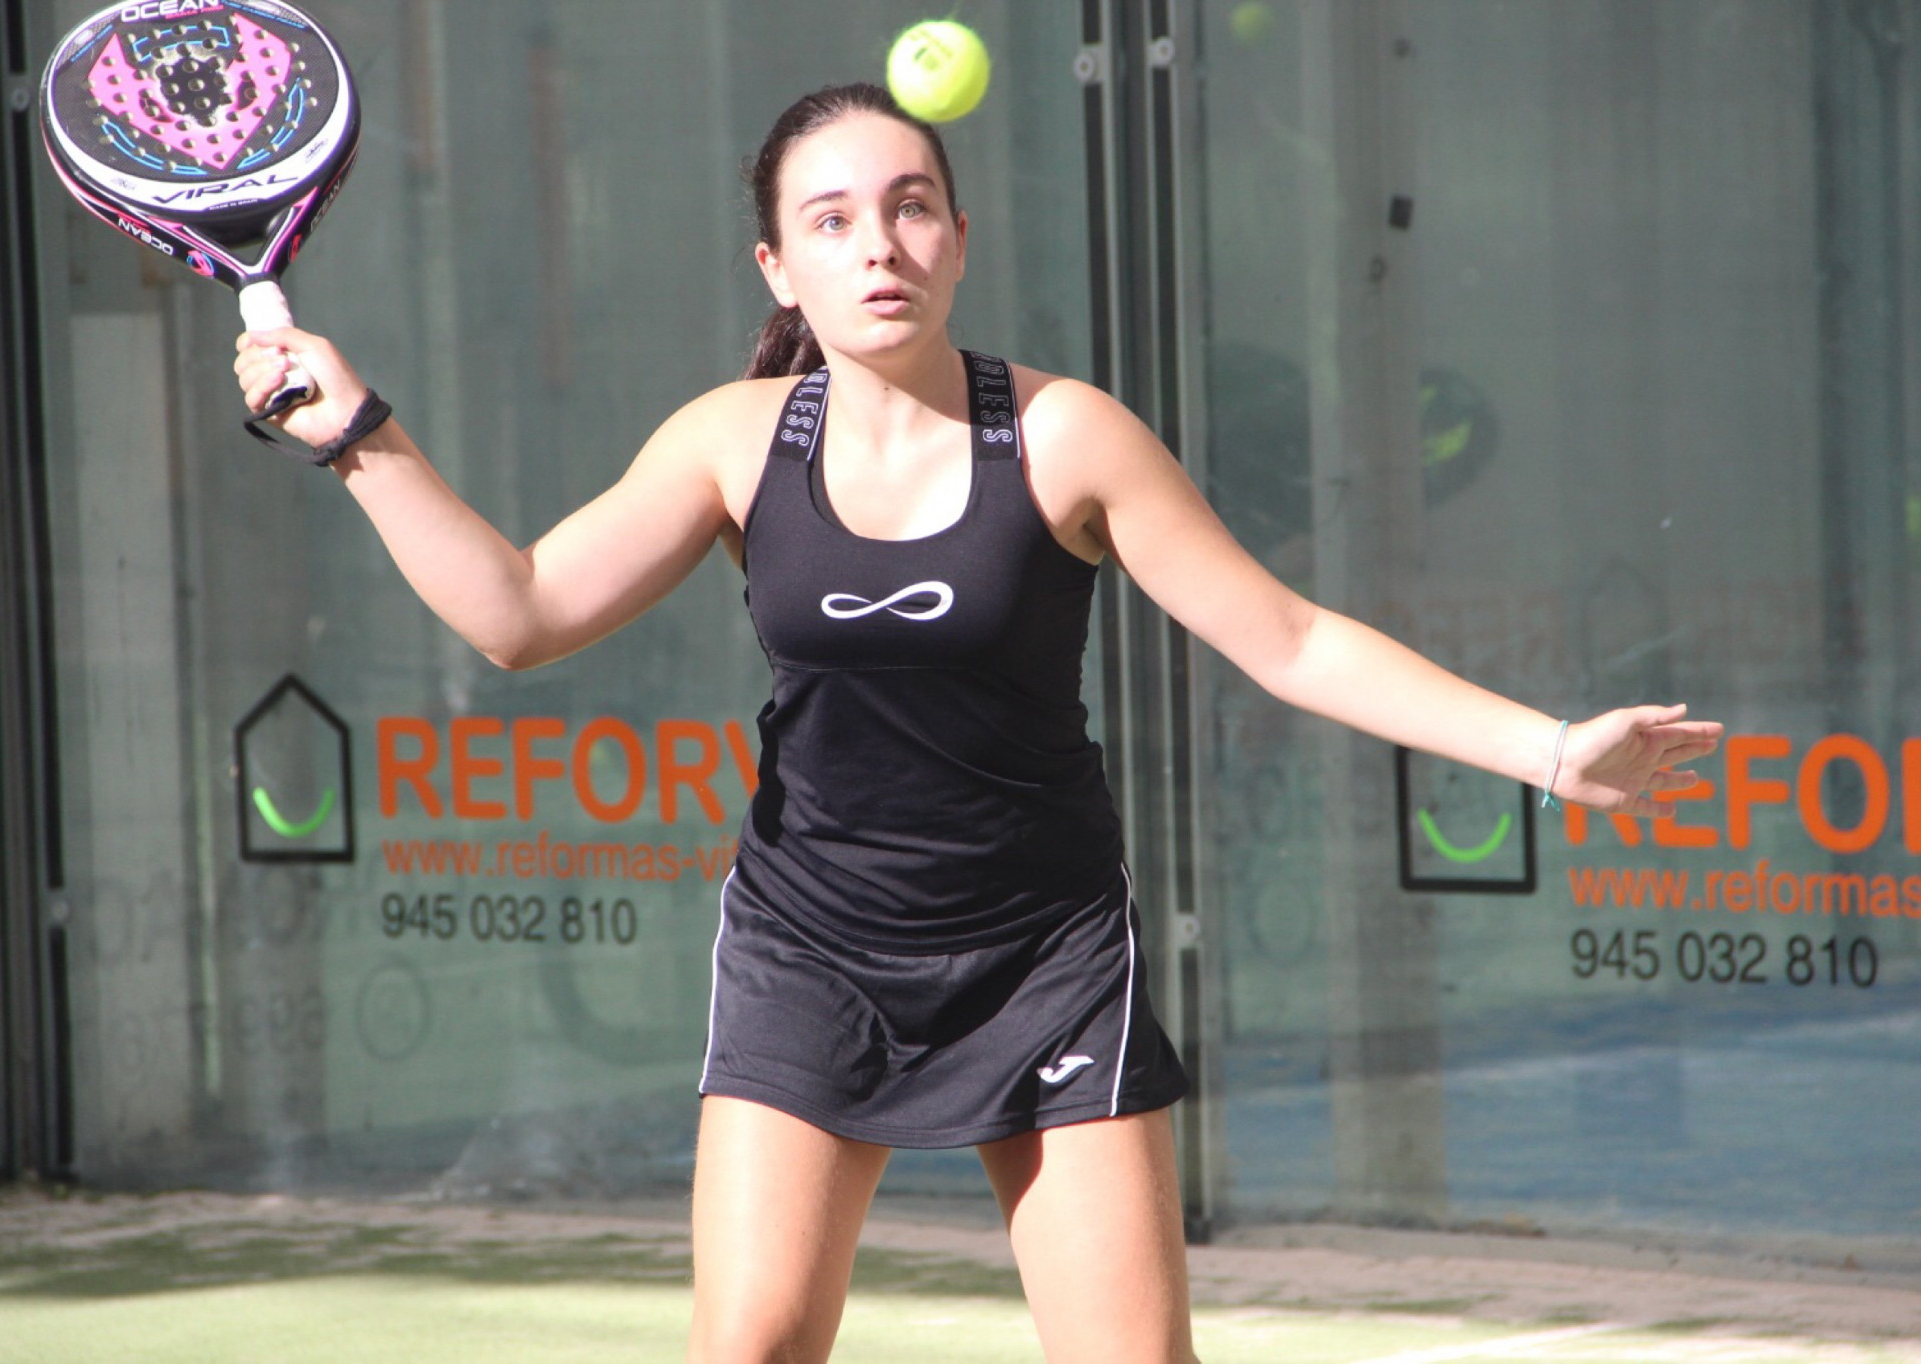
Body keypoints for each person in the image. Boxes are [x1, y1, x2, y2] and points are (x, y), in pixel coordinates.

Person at [235, 82, 1722, 1364]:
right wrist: (359, 435)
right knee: (751, 1346)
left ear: (959, 232)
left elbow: (1290, 640)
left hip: (1043, 956)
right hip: (810, 949)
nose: (878, 245)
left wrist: (1550, 752)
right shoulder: (731, 443)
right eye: (831, 220)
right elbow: (518, 611)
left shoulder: (1067, 435)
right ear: (779, 265)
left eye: (910, 208)